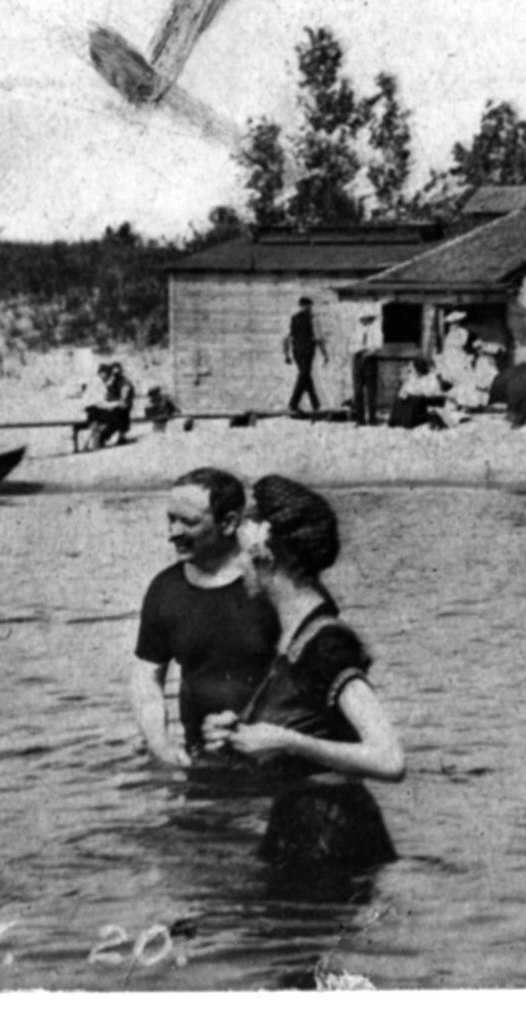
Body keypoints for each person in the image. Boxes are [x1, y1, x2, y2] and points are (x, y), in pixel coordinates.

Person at [199, 475, 404, 875]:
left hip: (332, 840)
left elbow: (389, 759)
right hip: (310, 832)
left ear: (265, 556)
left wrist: (284, 739)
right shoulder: (295, 637)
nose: (236, 565)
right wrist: (239, 734)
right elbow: (309, 722)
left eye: (239, 553)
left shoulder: (327, 643)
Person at [130, 468, 280, 769]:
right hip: (201, 762)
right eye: (170, 518)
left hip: (277, 760)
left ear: (228, 523)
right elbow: (146, 677)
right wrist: (161, 744)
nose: (172, 533)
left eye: (187, 522)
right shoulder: (166, 589)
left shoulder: (273, 583)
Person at [284, 298, 324, 414]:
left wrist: (287, 354)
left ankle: (315, 404)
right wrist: (324, 353)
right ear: (309, 306)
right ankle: (293, 403)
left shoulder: (293, 318)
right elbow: (318, 338)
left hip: (297, 351)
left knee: (305, 375)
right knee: (304, 375)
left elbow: (286, 338)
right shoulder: (313, 319)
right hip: (307, 350)